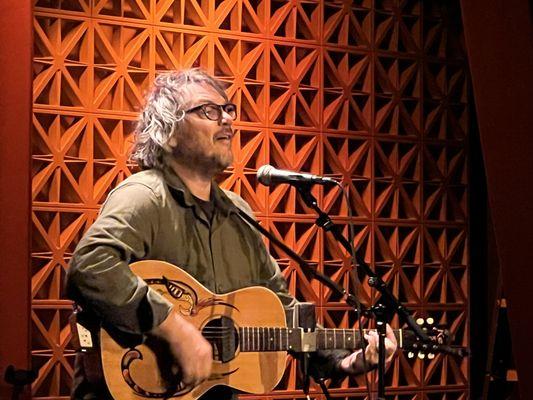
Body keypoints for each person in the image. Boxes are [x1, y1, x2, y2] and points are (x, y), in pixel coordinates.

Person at [66, 69, 397, 400]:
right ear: (169, 133)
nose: (226, 120)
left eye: (228, 109)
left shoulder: (238, 213)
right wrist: (174, 328)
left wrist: (344, 360)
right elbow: (91, 266)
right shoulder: (145, 195)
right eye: (208, 111)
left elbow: (281, 312)